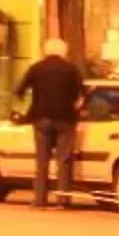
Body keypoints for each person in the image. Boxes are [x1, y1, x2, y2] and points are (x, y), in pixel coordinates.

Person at [15, 37, 84, 207]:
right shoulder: (71, 69)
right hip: (66, 119)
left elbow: (19, 90)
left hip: (41, 118)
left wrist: (29, 106)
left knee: (41, 161)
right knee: (64, 160)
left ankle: (40, 200)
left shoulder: (36, 68)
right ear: (64, 51)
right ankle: (63, 200)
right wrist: (74, 105)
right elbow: (82, 94)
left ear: (45, 51)